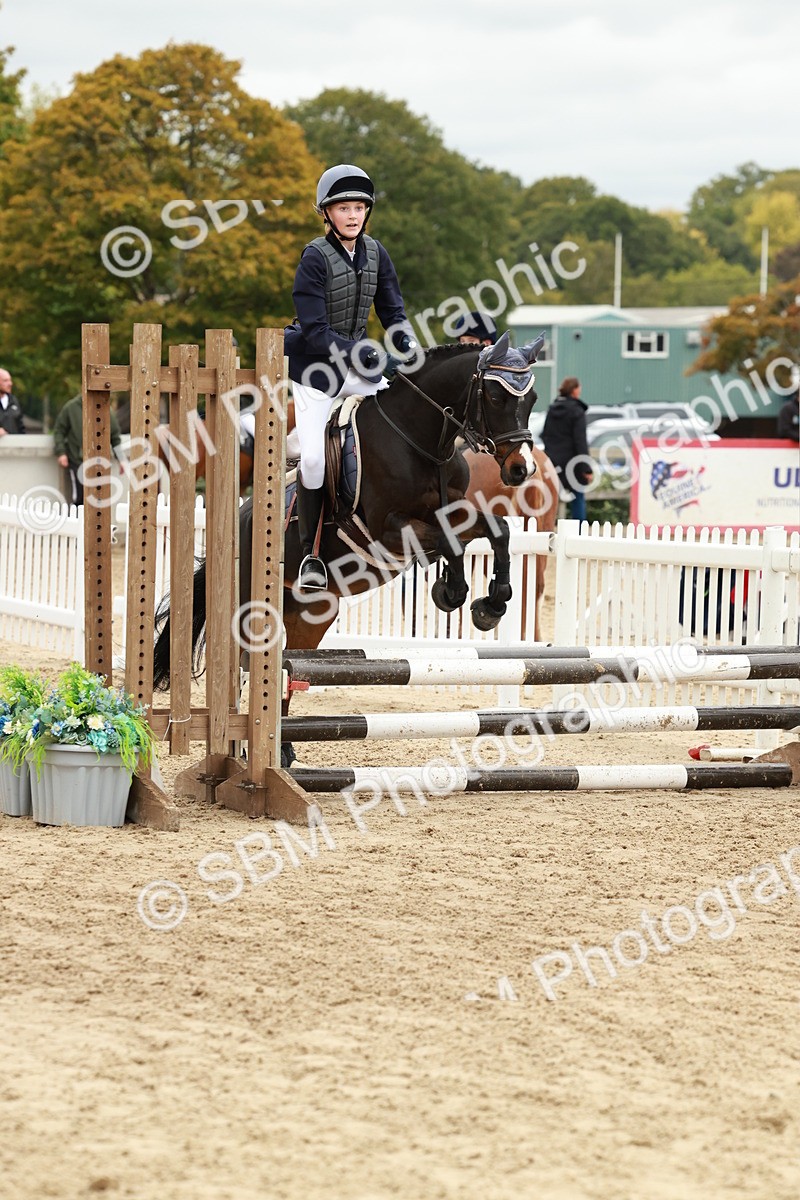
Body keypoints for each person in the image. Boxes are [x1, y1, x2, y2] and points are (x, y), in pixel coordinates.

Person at [284, 163, 415, 590]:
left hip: (355, 367)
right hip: (315, 372)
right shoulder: (314, 258)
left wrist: (410, 353)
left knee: (407, 411)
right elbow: (316, 331)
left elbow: (393, 313)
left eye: (359, 207)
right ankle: (310, 555)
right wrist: (362, 353)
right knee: (315, 458)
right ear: (327, 213)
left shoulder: (376, 253)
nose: (353, 214)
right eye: (344, 207)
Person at [53, 393, 122, 506]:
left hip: (100, 464)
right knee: (79, 498)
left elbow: (115, 437)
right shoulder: (71, 407)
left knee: (99, 499)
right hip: (77, 462)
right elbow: (59, 431)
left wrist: (121, 459)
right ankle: (76, 522)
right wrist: (61, 453)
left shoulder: (106, 408)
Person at [541, 376, 593, 523]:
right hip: (573, 463)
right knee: (577, 498)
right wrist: (586, 469)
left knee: (549, 498)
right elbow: (580, 441)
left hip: (552, 462)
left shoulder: (552, 409)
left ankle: (547, 527)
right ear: (574, 390)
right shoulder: (577, 411)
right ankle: (579, 533)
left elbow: (545, 435)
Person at [0, 368, 26, 436]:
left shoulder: (14, 401)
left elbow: (21, 428)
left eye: (10, 380)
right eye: (5, 381)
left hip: (13, 445)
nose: (10, 384)